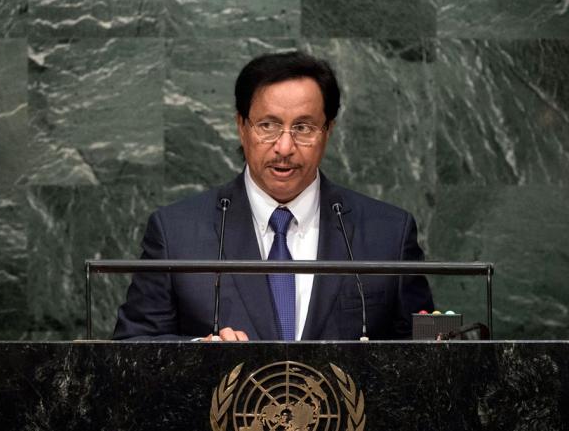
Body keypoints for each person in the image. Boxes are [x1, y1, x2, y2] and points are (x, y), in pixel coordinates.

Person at [113, 51, 434, 341]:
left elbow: (426, 358)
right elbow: (132, 345)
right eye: (268, 126)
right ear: (241, 126)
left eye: (303, 128)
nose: (284, 147)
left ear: (328, 131)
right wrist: (200, 354)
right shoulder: (176, 233)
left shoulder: (388, 233)